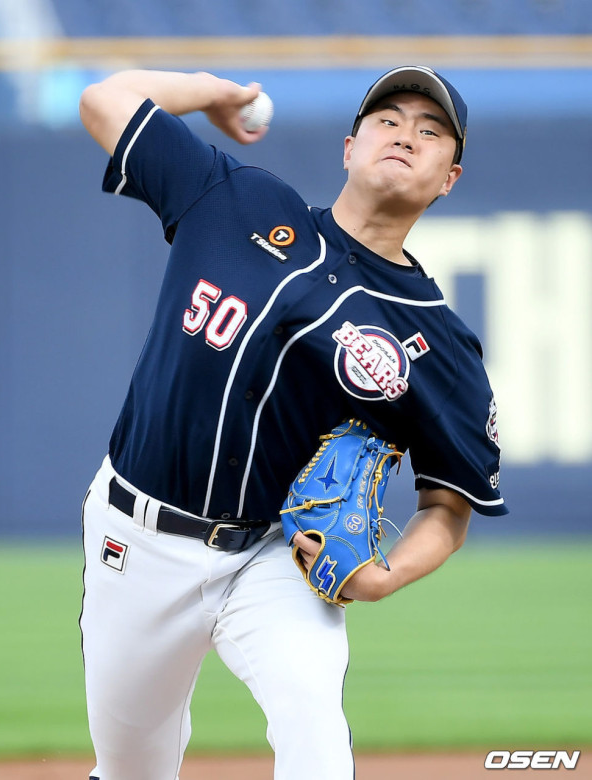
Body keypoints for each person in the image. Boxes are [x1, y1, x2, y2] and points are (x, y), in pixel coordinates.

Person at [78, 64, 507, 779]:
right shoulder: (235, 199)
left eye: (431, 132)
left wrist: (386, 575)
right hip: (137, 538)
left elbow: (450, 504)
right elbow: (104, 100)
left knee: (316, 741)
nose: (406, 135)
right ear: (349, 148)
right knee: (130, 769)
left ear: (449, 179)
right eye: (388, 120)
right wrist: (214, 91)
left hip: (275, 556)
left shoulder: (437, 342)